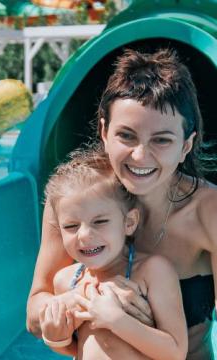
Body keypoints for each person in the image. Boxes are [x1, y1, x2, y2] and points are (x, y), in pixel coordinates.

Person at [27, 48, 216, 359]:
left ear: (186, 145)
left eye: (161, 140)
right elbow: (36, 309)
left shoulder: (209, 212)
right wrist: (84, 300)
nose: (140, 156)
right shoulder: (75, 202)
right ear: (104, 132)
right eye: (127, 136)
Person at [39, 149, 188, 359]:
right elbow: (75, 347)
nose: (84, 235)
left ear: (129, 223)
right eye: (71, 226)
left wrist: (117, 320)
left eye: (99, 222)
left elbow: (175, 352)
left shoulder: (151, 271)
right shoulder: (66, 281)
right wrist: (56, 338)